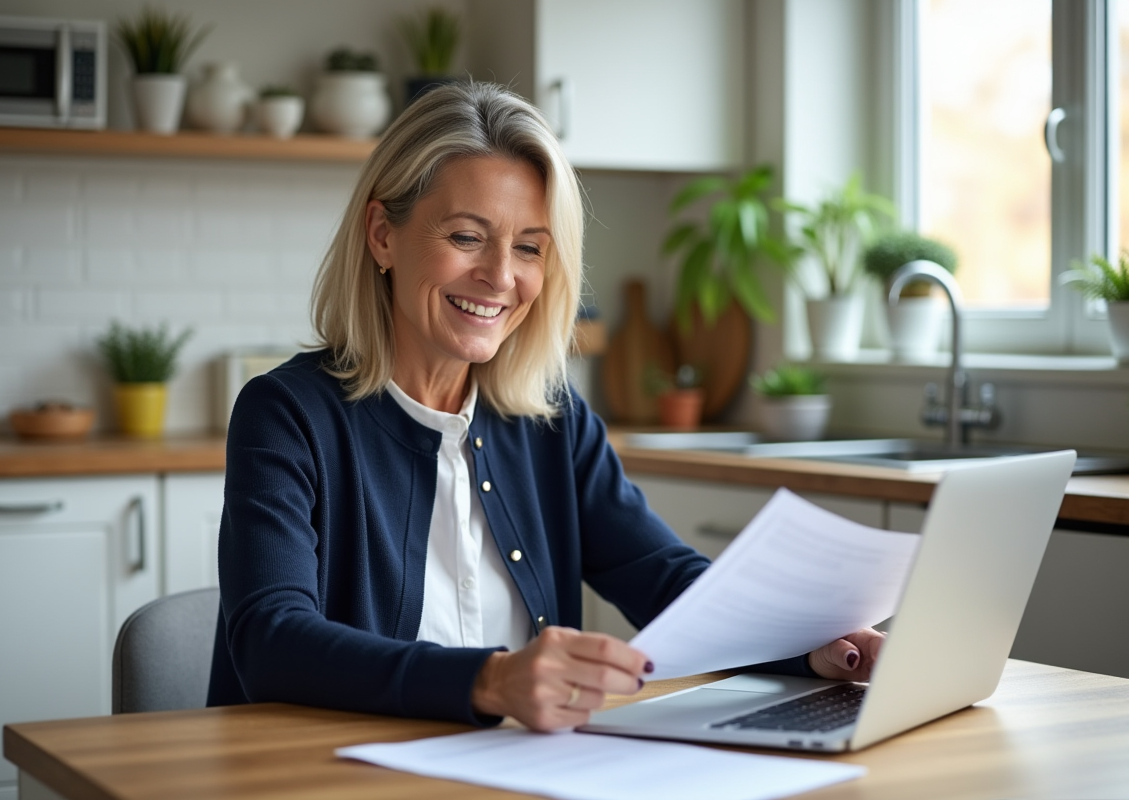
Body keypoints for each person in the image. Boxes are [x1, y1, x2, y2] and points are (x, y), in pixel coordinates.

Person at [207, 81, 883, 731]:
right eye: (467, 237)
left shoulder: (552, 419)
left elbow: (665, 579)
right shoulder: (286, 414)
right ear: (382, 234)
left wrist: (806, 645)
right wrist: (491, 682)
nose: (501, 276)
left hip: (513, 770)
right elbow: (273, 641)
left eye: (529, 247)